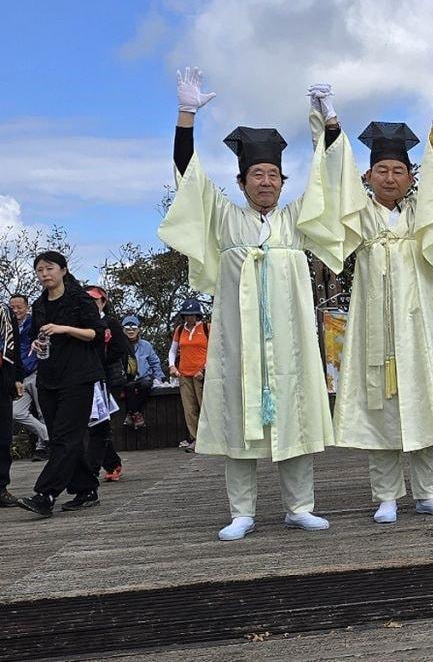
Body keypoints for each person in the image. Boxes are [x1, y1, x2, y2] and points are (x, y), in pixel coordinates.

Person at [158, 68, 343, 541]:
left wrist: (330, 122)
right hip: (240, 345)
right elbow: (188, 179)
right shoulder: (225, 219)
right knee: (239, 424)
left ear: (283, 182)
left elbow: (331, 181)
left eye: (273, 175)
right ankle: (242, 511)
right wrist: (186, 116)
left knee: (297, 417)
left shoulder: (296, 220)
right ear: (241, 183)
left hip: (291, 343)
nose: (266, 182)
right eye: (257, 175)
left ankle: (300, 506)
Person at [321, 92, 433, 524]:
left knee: (424, 401)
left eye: (398, 170)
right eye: (381, 169)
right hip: (374, 329)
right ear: (367, 175)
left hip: (419, 326)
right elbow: (333, 184)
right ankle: (386, 495)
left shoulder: (423, 213)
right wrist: (330, 126)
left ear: (410, 177)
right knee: (380, 408)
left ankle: (428, 492)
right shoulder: (359, 215)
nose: (389, 177)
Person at [16, 252, 105, 517]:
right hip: (49, 377)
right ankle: (86, 488)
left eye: (49, 268)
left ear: (63, 270)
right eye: (39, 270)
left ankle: (46, 494)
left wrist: (65, 329)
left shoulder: (80, 299)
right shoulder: (39, 304)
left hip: (79, 376)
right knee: (61, 438)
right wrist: (36, 342)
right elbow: (34, 336)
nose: (44, 274)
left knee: (66, 436)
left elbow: (96, 334)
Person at [83, 284, 129, 483]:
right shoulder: (82, 324)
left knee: (101, 422)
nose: (92, 304)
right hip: (87, 377)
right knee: (94, 423)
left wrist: (100, 360)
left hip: (108, 378)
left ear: (103, 301)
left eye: (95, 300)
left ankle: (101, 465)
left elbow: (120, 349)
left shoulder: (111, 323)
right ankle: (110, 461)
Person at [8, 293, 49, 458]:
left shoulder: (35, 323)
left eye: (19, 307)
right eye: (12, 307)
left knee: (43, 410)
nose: (16, 310)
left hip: (37, 371)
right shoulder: (6, 326)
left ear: (27, 307)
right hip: (19, 376)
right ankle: (48, 436)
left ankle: (42, 447)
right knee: (16, 412)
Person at [169, 298, 208, 451]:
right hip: (184, 374)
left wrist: (204, 369)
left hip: (202, 374)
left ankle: (208, 438)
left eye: (192, 315)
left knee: (204, 406)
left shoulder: (206, 328)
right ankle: (196, 438)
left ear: (198, 315)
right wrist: (172, 366)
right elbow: (173, 350)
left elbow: (214, 351)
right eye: (186, 315)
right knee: (189, 409)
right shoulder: (180, 330)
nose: (189, 318)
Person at [121, 315, 164, 428]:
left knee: (146, 384)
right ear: (123, 330)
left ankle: (132, 414)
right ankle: (136, 414)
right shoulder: (119, 345)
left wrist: (159, 378)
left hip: (144, 378)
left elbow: (155, 362)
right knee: (129, 386)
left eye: (134, 328)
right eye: (127, 328)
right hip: (126, 379)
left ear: (139, 329)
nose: (131, 330)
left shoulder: (146, 345)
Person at [1, 300, 19, 507]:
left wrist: (17, 378)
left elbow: (13, 350)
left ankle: (1, 487)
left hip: (2, 380)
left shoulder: (4, 311)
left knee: (3, 438)